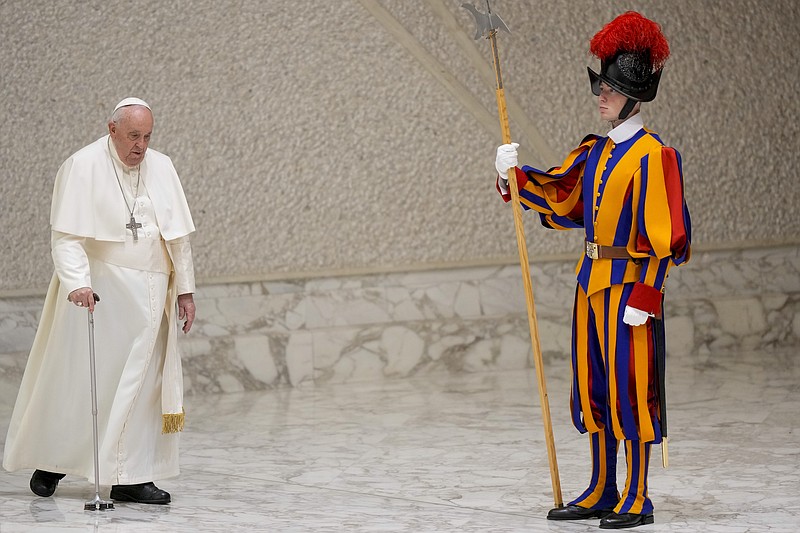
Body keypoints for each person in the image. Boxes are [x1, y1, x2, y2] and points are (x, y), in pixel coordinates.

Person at [493, 12, 691, 529]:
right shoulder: (596, 152)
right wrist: (511, 174)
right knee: (594, 385)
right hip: (592, 286)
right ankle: (603, 486)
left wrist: (647, 298)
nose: (600, 95)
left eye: (609, 87)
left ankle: (637, 495)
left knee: (632, 386)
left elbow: (667, 240)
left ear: (633, 94)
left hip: (631, 292)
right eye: (600, 85)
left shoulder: (655, 157)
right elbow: (563, 197)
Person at [2, 97, 197, 505]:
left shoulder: (161, 166)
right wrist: (76, 282)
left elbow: (177, 238)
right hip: (99, 293)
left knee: (142, 386)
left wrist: (185, 290)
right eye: (132, 136)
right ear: (112, 130)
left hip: (151, 294)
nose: (140, 146)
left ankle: (131, 476)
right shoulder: (82, 165)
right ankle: (55, 459)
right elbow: (67, 236)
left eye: (146, 136)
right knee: (85, 379)